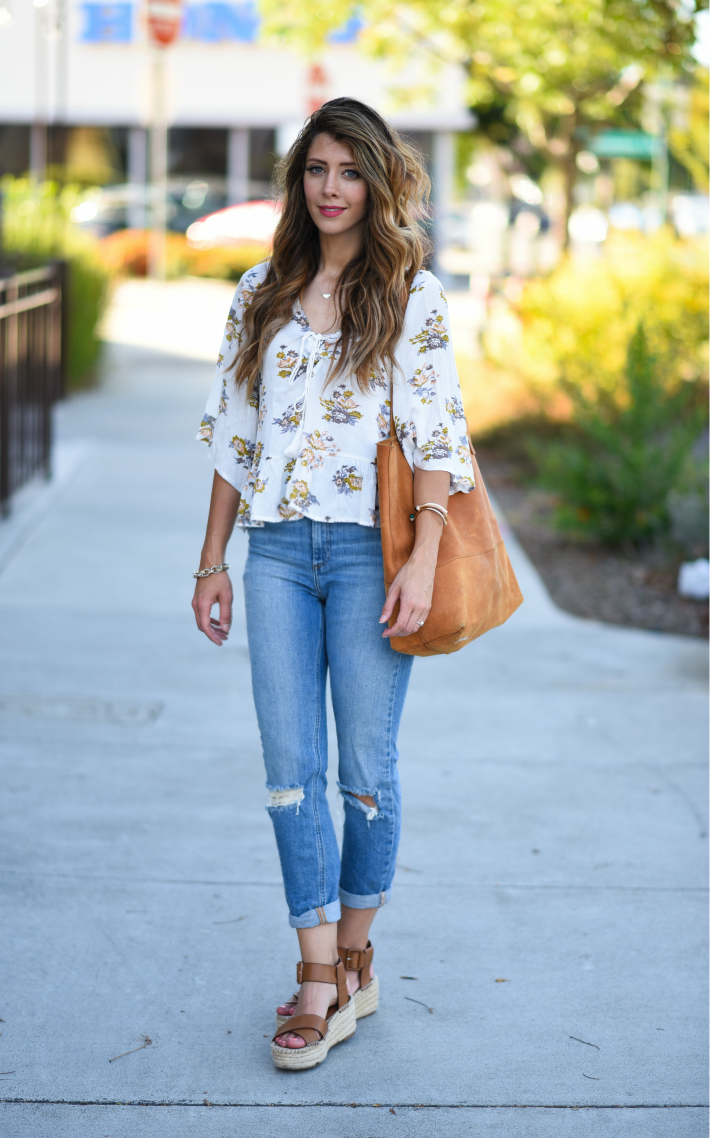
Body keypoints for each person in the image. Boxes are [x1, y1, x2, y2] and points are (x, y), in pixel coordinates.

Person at [192, 97, 474, 1070]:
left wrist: (424, 561)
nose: (330, 188)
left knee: (364, 770)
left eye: (348, 171)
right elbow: (234, 438)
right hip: (274, 553)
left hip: (369, 558)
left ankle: (355, 956)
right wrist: (210, 561)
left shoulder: (411, 296)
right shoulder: (259, 291)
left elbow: (435, 439)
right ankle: (316, 972)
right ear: (297, 181)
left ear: (376, 180)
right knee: (287, 774)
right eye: (315, 169)